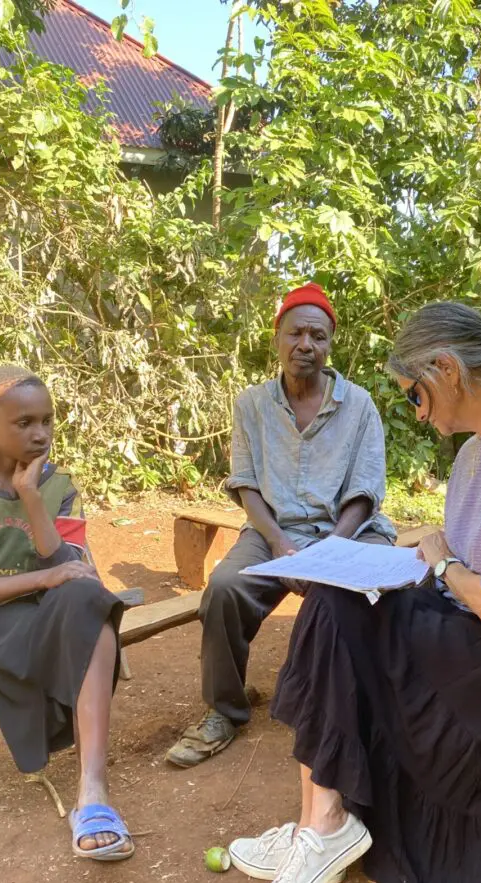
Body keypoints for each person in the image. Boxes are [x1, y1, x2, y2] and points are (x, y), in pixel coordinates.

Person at [229, 301, 481, 883]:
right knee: (335, 595)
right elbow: (465, 566)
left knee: (339, 610)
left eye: (413, 395)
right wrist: (426, 558)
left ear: (446, 370)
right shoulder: (476, 451)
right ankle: (316, 822)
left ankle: (323, 825)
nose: (416, 410)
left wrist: (437, 561)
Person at [165, 283, 396, 769]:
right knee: (225, 588)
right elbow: (246, 485)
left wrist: (325, 556)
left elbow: (365, 492)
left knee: (369, 595)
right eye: (296, 333)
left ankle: (366, 712)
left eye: (318, 336)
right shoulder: (251, 405)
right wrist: (282, 546)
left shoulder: (358, 406)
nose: (305, 345)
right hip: (274, 533)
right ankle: (224, 710)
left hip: (347, 531)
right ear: (277, 337)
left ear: (330, 345)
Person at [0, 365, 133, 862]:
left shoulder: (58, 483)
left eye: (47, 420)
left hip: (55, 606)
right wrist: (43, 579)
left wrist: (33, 499)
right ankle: (91, 788)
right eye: (23, 422)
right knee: (89, 617)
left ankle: (93, 792)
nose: (39, 433)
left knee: (89, 602)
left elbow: (75, 573)